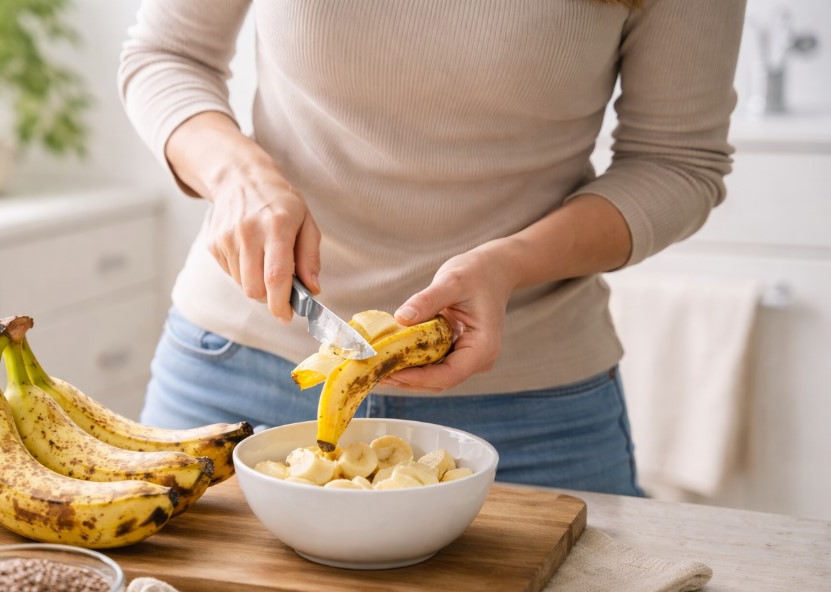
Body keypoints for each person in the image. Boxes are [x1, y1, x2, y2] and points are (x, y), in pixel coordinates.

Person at [118, 0, 747, 496]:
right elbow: (166, 54)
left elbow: (678, 163)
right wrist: (236, 178)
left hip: (534, 408)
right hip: (240, 364)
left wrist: (511, 263)